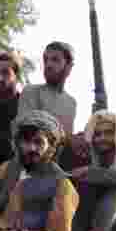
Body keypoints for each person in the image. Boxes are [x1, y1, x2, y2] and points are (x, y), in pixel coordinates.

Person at [16, 41, 86, 170]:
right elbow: (26, 131)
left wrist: (79, 139)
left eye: (55, 60)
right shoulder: (31, 91)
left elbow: (66, 140)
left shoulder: (71, 102)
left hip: (59, 164)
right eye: (46, 60)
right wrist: (69, 139)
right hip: (30, 160)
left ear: (69, 66)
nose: (48, 65)